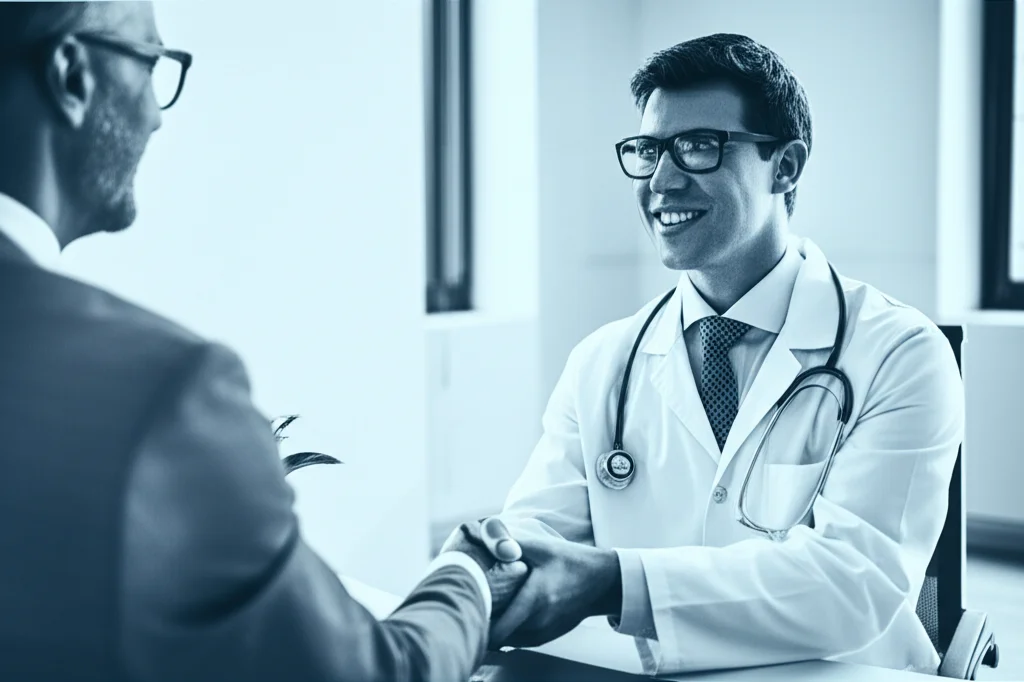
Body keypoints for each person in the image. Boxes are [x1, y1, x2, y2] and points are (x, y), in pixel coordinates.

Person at [0, 2, 532, 680]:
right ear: (72, 74)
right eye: (152, 63)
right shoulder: (163, 389)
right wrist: (467, 575)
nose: (160, 115)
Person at [484, 33, 965, 676]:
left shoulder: (901, 353)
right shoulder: (604, 362)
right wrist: (489, 567)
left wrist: (615, 581)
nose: (662, 179)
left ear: (786, 166)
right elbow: (536, 536)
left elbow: (854, 584)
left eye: (698, 147)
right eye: (648, 150)